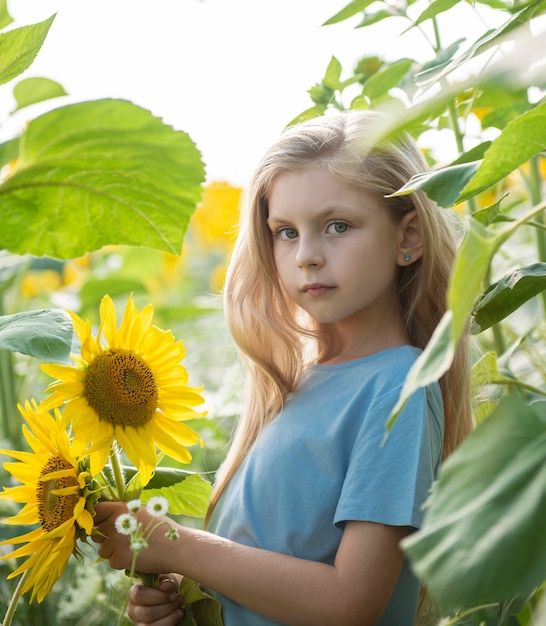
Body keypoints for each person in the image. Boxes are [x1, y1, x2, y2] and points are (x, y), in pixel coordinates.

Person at [92, 109, 472, 626]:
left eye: (337, 226)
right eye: (285, 232)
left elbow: (350, 603)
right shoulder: (296, 382)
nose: (307, 256)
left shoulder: (399, 384)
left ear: (408, 237)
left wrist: (178, 546)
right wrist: (189, 594)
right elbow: (271, 563)